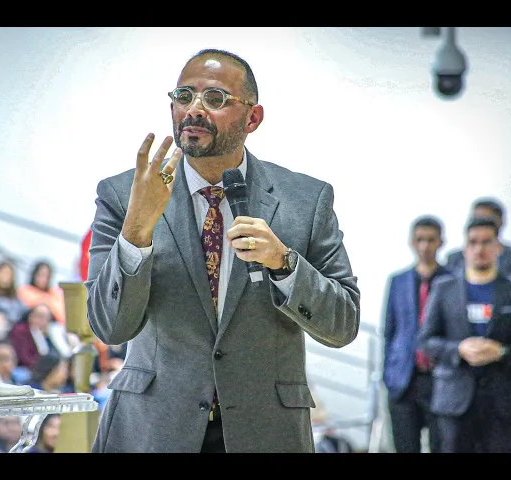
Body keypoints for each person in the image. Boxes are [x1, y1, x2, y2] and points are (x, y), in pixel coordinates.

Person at [85, 48, 360, 453]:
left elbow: (343, 323)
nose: (194, 109)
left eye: (215, 98)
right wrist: (136, 231)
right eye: (184, 96)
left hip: (265, 430)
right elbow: (109, 328)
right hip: (154, 429)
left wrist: (285, 264)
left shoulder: (306, 200)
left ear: (253, 118)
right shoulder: (125, 195)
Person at [418, 216, 511, 453]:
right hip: (455, 401)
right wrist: (459, 349)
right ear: (465, 248)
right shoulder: (444, 288)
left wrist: (502, 352)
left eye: (486, 242)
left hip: (507, 400)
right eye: (473, 242)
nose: (479, 249)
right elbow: (425, 340)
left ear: (498, 247)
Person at [382, 215, 451, 453]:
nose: (425, 246)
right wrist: (388, 375)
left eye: (431, 240)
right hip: (403, 380)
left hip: (440, 379)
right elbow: (390, 331)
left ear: (441, 242)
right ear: (412, 241)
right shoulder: (398, 281)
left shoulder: (453, 280)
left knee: (444, 446)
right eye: (420, 239)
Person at [445, 197, 511, 298]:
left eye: (487, 219)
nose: (482, 223)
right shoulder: (455, 259)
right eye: (476, 219)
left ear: (501, 222)